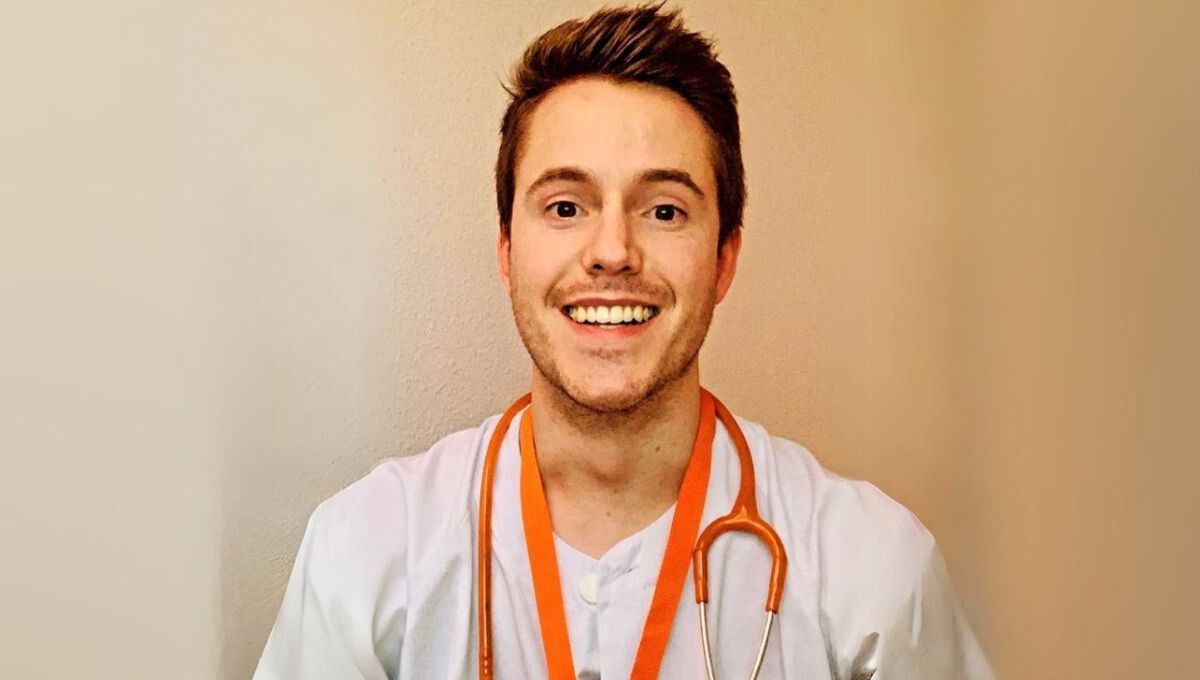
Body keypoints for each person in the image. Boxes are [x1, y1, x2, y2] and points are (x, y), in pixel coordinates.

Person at [253, 4, 994, 679]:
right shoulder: (366, 556)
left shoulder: (872, 574)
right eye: (565, 206)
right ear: (508, 252)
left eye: (664, 210)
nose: (613, 251)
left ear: (724, 259)